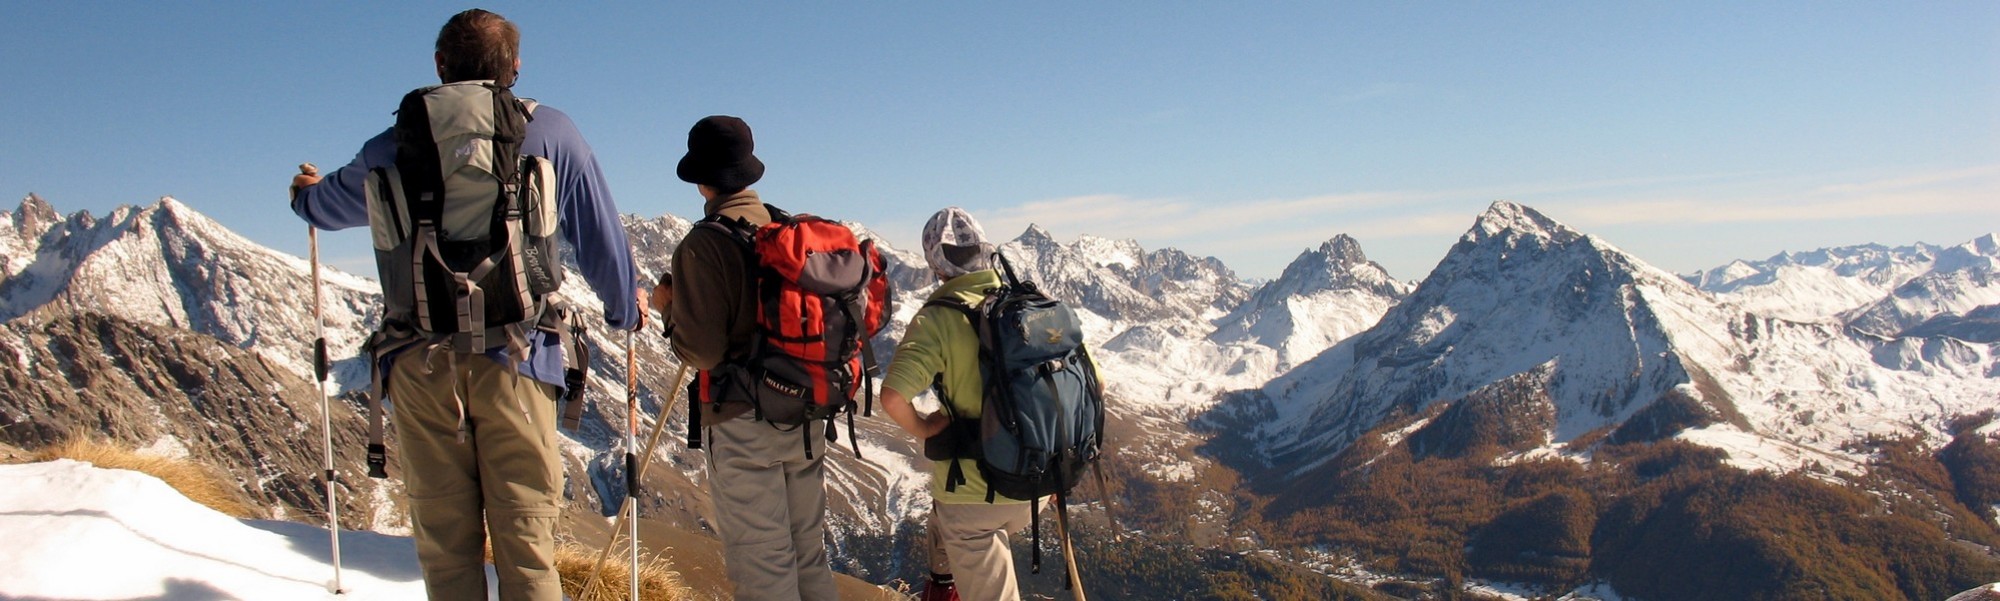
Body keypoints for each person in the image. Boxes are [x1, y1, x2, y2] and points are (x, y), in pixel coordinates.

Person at [288, 9, 640, 600]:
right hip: (519, 362)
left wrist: (303, 196)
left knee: (446, 547)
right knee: (527, 548)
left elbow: (326, 208)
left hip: (422, 366)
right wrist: (625, 308)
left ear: (439, 66)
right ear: (516, 68)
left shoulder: (391, 146)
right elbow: (602, 239)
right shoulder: (552, 134)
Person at [652, 115, 839, 601]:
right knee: (808, 554)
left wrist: (669, 311)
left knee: (763, 562)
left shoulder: (703, 244)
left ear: (701, 179)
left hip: (741, 422)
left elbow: (703, 350)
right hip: (804, 417)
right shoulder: (785, 227)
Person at [878, 208, 1041, 601]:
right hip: (1038, 485)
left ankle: (944, 589)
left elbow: (893, 396)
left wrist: (922, 428)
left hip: (974, 497)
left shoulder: (938, 318)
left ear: (935, 265)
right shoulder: (1030, 303)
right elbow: (1096, 382)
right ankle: (945, 584)